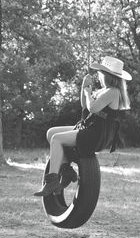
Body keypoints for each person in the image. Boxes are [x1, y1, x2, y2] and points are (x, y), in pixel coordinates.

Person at [34, 56, 132, 197]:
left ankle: (52, 181)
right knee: (51, 133)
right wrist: (83, 87)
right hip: (90, 129)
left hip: (96, 135)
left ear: (106, 75)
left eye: (100, 73)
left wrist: (88, 93)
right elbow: (83, 104)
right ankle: (66, 171)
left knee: (57, 139)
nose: (98, 75)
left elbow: (92, 108)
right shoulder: (104, 91)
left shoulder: (113, 92)